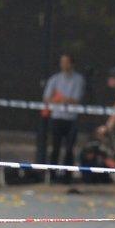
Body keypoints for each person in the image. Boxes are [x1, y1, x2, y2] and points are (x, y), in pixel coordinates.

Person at [43, 53, 85, 183]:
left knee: (69, 148)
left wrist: (61, 99)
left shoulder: (78, 80)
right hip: (57, 117)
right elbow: (47, 98)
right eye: (62, 62)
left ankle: (67, 177)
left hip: (71, 119)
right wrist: (60, 100)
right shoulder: (55, 79)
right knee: (55, 148)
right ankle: (53, 176)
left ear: (71, 64)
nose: (63, 65)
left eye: (66, 62)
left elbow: (75, 100)